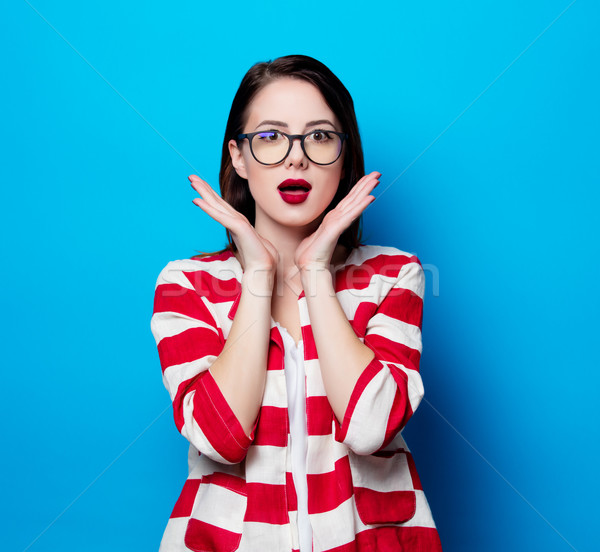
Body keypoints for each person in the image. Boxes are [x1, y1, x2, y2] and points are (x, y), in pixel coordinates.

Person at [151, 54, 442, 552]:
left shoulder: (393, 275)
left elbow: (370, 428)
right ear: (238, 158)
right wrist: (259, 275)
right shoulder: (188, 283)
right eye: (269, 137)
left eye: (321, 136)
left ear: (346, 159)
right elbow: (222, 438)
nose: (296, 157)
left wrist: (315, 274)